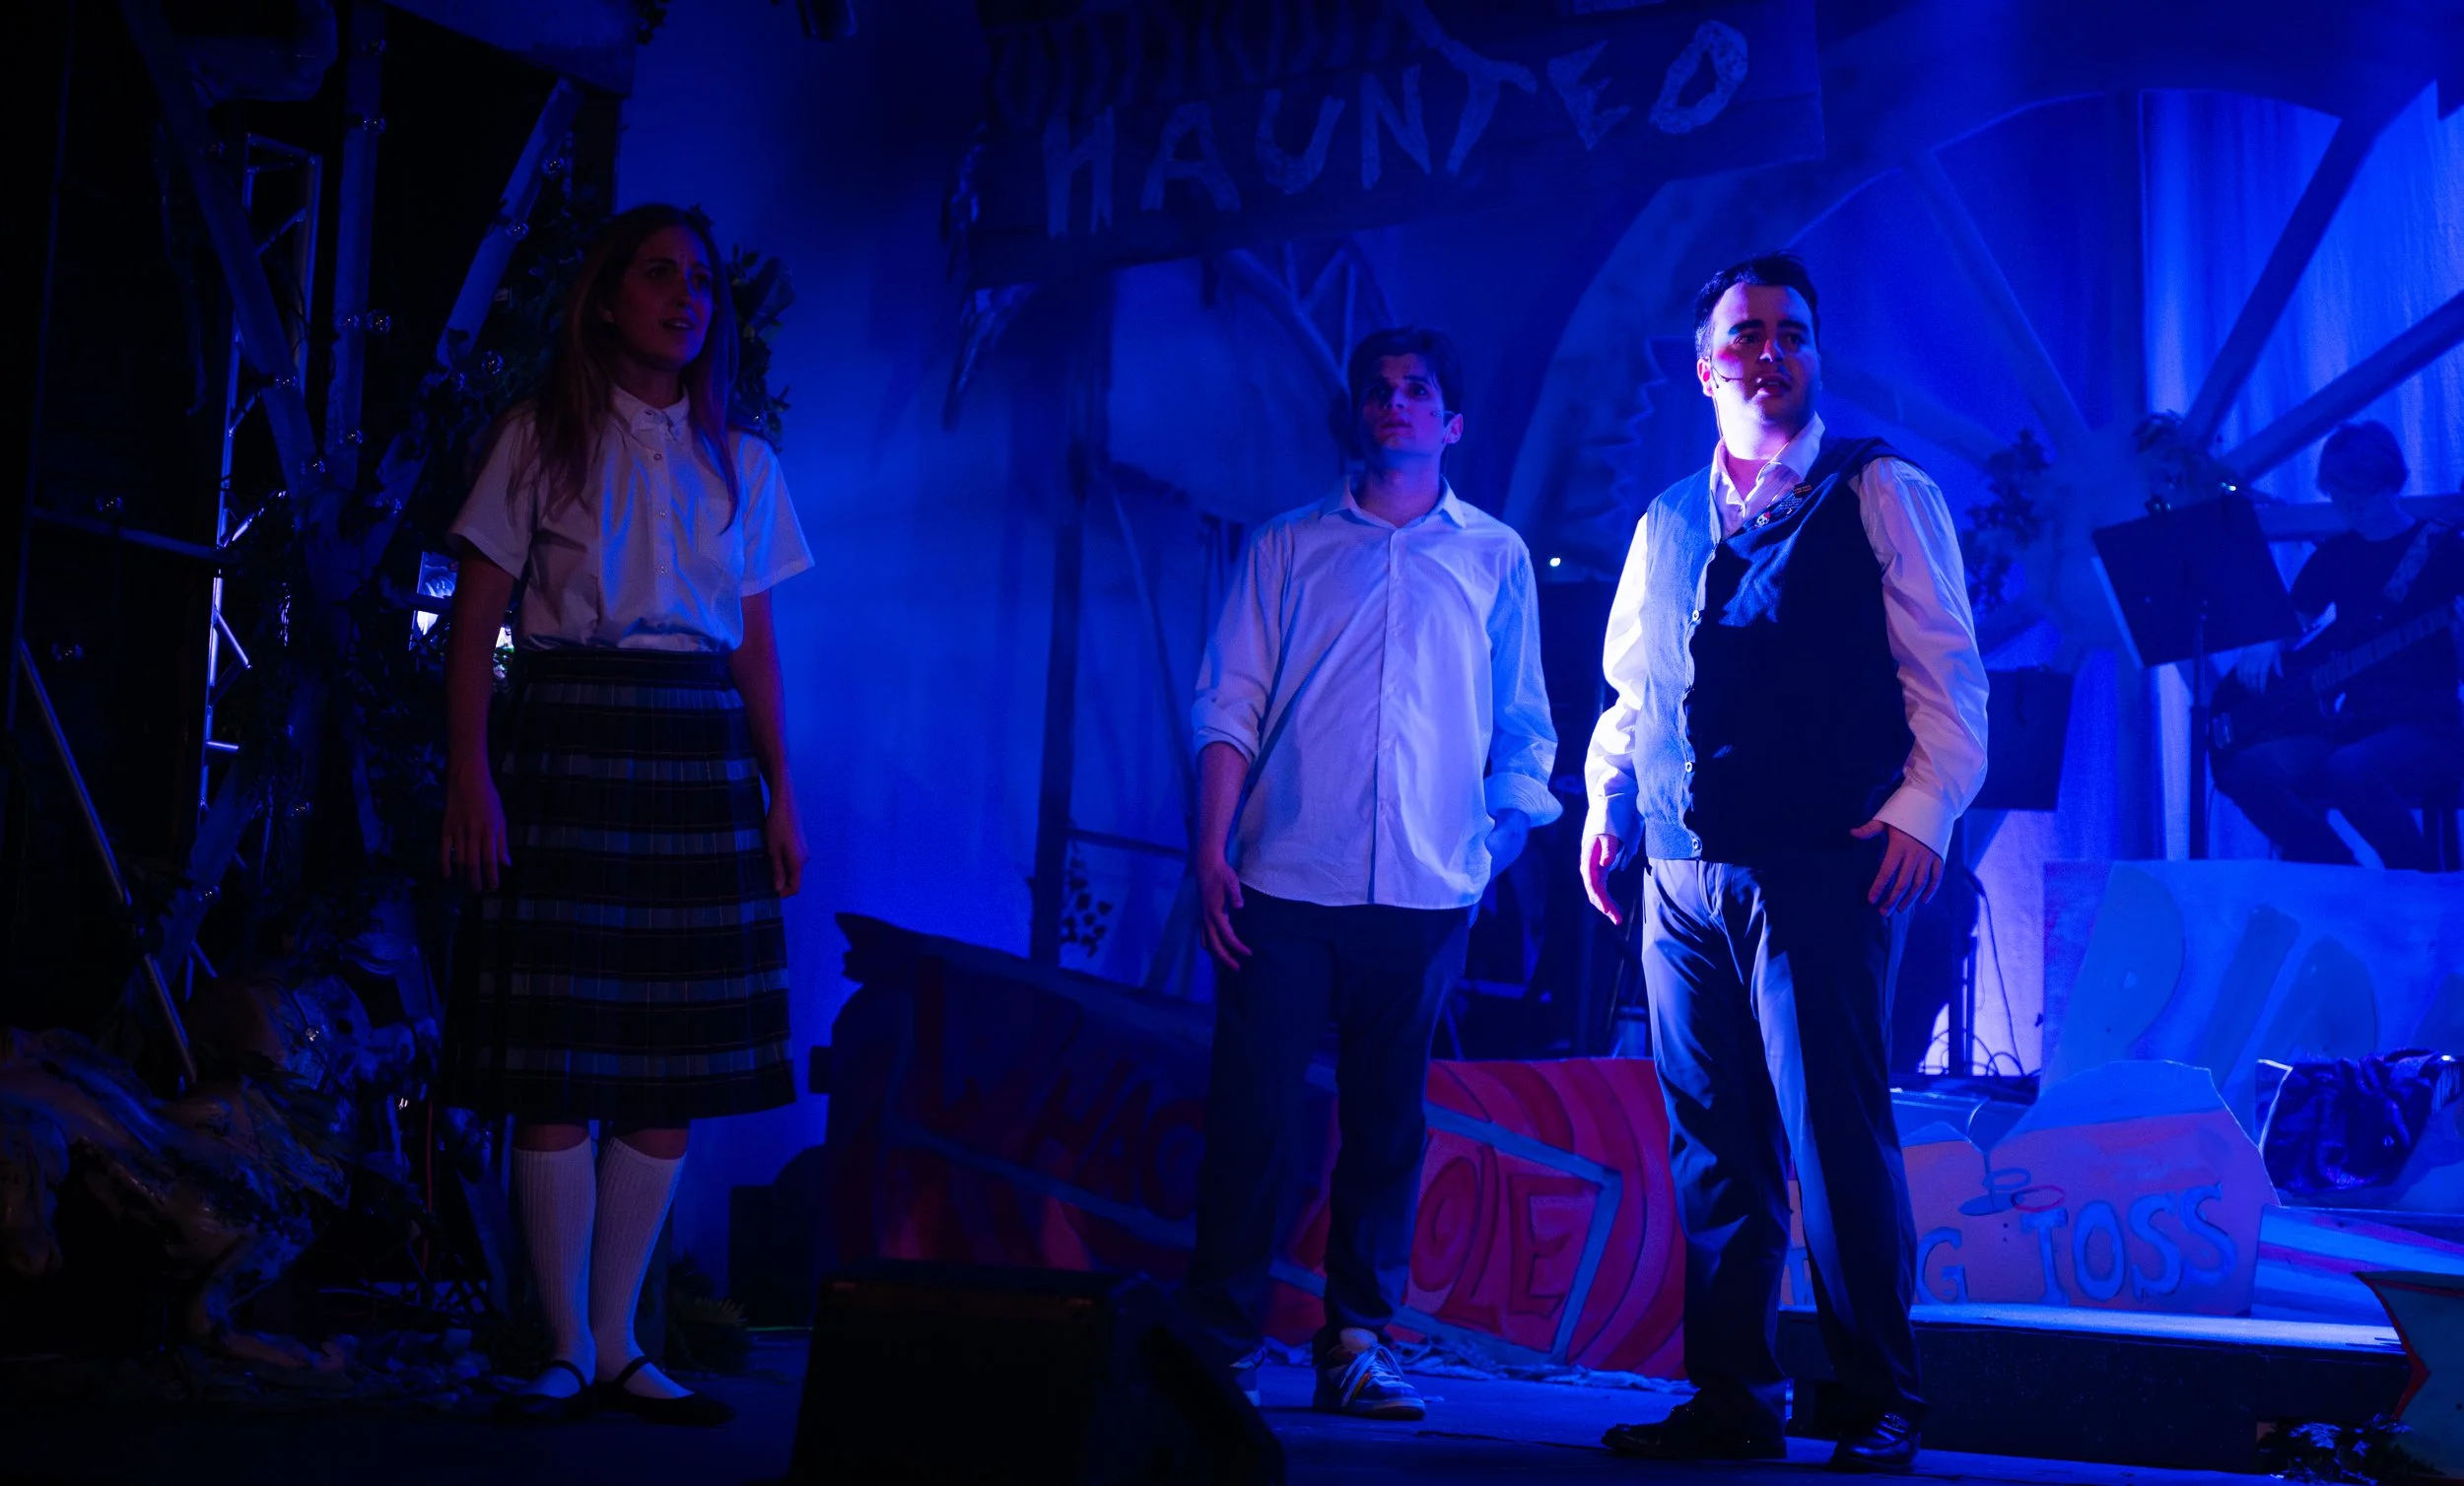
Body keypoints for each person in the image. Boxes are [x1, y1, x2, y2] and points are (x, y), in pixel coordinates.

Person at [1580, 253, 1987, 1473]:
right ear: (1706, 366)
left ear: (1812, 354)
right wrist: (1610, 805)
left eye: (1792, 333)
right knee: (1714, 1143)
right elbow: (1633, 686)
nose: (1771, 351)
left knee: (1833, 1133)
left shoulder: (1878, 490)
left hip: (1823, 858)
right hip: (1681, 869)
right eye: (1747, 334)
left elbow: (1946, 671)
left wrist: (1922, 810)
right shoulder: (1664, 517)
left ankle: (1879, 1396)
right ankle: (1732, 1397)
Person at [438, 204, 813, 1426]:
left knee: (670, 1064)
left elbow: (756, 651)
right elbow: (477, 621)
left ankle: (617, 1343)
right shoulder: (538, 437)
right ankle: (558, 1342)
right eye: (659, 273)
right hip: (568, 733)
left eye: (702, 277)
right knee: (556, 1055)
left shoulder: (742, 463)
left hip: (697, 743)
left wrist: (780, 793)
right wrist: (470, 774)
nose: (686, 294)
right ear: (606, 296)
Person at [1183, 327, 1559, 1421]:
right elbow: (1228, 703)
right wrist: (1210, 847)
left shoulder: (1492, 554)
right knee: (1250, 1115)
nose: (1395, 405)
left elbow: (1524, 726)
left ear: (1451, 422)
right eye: (1379, 391)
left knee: (1388, 1122)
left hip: (1426, 891)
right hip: (1285, 876)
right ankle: (1218, 1336)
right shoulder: (1287, 546)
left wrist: (1489, 846)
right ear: (1358, 415)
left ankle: (1354, 1337)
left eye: (1417, 391)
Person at [2218, 421, 2463, 870]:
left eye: (2359, 496)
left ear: (2392, 482)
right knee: (2248, 771)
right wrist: (2264, 642)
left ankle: (2424, 889)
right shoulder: (2336, 555)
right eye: (2337, 495)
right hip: (2354, 724)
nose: (2348, 508)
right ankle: (2343, 877)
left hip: (2433, 727)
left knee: (2350, 769)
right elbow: (2292, 623)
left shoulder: (2445, 549)